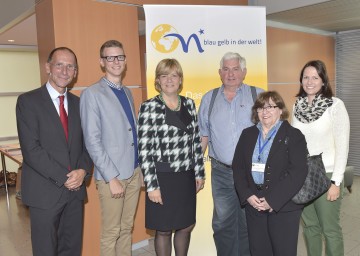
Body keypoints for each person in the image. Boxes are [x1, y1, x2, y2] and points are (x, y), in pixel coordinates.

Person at [16, 47, 93, 256]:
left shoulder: (80, 104)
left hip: (75, 192)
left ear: (75, 72)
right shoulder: (28, 102)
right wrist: (66, 177)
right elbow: (31, 150)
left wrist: (83, 171)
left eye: (70, 66)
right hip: (44, 193)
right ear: (48, 67)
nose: (64, 71)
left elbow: (89, 145)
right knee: (45, 250)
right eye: (59, 64)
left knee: (72, 249)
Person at [137, 58, 205, 256]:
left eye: (173, 75)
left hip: (185, 177)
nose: (169, 80)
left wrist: (199, 173)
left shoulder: (189, 104)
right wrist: (152, 185)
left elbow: (195, 142)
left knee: (186, 226)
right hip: (162, 177)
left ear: (180, 79)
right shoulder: (149, 107)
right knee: (164, 229)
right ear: (158, 80)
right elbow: (145, 149)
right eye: (164, 75)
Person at [198, 52, 263, 256]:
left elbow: (271, 134)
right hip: (221, 172)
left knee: (248, 222)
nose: (231, 73)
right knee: (223, 223)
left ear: (244, 72)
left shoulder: (258, 96)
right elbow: (203, 136)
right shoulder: (210, 98)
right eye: (226, 69)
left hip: (251, 173)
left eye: (235, 69)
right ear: (220, 72)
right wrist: (196, 169)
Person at [80, 40, 141, 256]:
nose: (116, 61)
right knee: (111, 232)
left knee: (126, 229)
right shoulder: (92, 94)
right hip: (112, 176)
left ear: (125, 60)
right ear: (102, 62)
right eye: (110, 57)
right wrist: (111, 177)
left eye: (120, 57)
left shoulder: (127, 92)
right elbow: (92, 140)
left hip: (134, 172)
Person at [232, 91, 308, 256]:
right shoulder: (248, 135)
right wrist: (247, 195)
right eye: (260, 108)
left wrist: (272, 200)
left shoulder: (294, 136)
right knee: (259, 251)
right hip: (255, 204)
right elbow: (238, 168)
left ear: (281, 110)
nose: (265, 111)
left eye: (270, 107)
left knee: (283, 251)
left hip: (283, 207)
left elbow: (298, 173)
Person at [292, 60, 350, 256]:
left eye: (315, 77)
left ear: (323, 81)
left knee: (330, 230)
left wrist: (336, 182)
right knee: (310, 228)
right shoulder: (296, 105)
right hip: (303, 176)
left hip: (327, 174)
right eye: (306, 77)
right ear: (301, 80)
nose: (310, 81)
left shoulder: (335, 105)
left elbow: (343, 147)